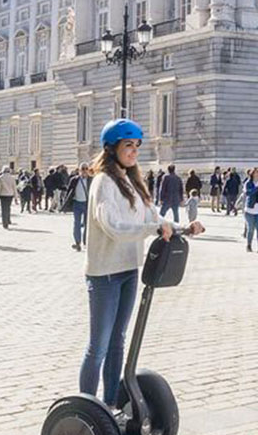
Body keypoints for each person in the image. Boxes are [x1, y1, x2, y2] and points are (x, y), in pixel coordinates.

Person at [81, 119, 204, 407]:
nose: (134, 152)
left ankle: (110, 405)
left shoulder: (132, 182)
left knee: (117, 343)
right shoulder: (103, 182)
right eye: (128, 146)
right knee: (98, 346)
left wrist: (185, 227)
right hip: (104, 274)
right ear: (112, 149)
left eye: (136, 146)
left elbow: (153, 219)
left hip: (127, 271)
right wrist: (151, 230)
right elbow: (112, 225)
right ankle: (87, 407)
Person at [64, 162, 92, 251]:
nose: (84, 171)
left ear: (88, 170)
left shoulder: (91, 180)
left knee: (87, 224)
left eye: (86, 169)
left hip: (87, 204)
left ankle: (85, 241)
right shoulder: (74, 180)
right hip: (77, 203)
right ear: (79, 170)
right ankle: (77, 243)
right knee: (76, 223)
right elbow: (69, 192)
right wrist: (66, 203)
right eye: (82, 169)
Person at [244, 169, 258, 253]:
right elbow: (248, 193)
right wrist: (257, 188)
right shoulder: (248, 183)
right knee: (250, 229)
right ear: (252, 174)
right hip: (250, 209)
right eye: (256, 172)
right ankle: (249, 245)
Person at [0, 163, 17, 228]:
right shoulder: (12, 178)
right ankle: (8, 219)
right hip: (10, 195)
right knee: (8, 208)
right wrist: (16, 197)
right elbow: (14, 187)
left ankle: (5, 223)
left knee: (3, 209)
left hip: (3, 195)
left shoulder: (0, 178)